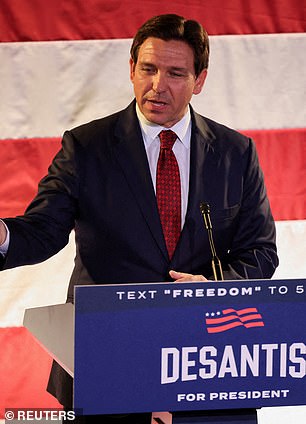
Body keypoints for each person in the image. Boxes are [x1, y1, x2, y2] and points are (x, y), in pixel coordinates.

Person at [0, 13, 278, 424]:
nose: (157, 85)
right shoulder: (86, 147)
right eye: (147, 68)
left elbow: (261, 251)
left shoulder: (236, 153)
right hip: (104, 357)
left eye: (175, 73)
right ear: (131, 68)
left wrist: (214, 287)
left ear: (199, 80)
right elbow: (42, 230)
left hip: (205, 362)